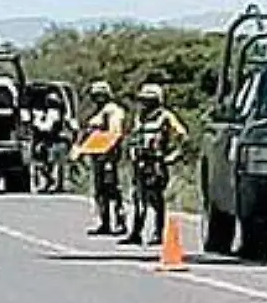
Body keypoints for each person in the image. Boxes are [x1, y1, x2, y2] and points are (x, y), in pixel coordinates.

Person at [124, 83, 188, 247]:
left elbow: (182, 135)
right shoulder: (139, 117)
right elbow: (133, 137)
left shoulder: (165, 116)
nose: (145, 103)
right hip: (139, 162)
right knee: (138, 198)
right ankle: (136, 233)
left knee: (155, 199)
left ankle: (158, 233)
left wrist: (174, 155)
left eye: (149, 100)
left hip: (156, 163)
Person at [80, 80, 128, 236]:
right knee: (100, 190)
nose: (97, 98)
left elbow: (115, 133)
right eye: (95, 96)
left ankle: (120, 221)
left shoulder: (113, 111)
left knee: (112, 188)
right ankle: (105, 222)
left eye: (100, 95)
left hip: (109, 156)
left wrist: (109, 154)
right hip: (98, 156)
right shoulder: (98, 112)